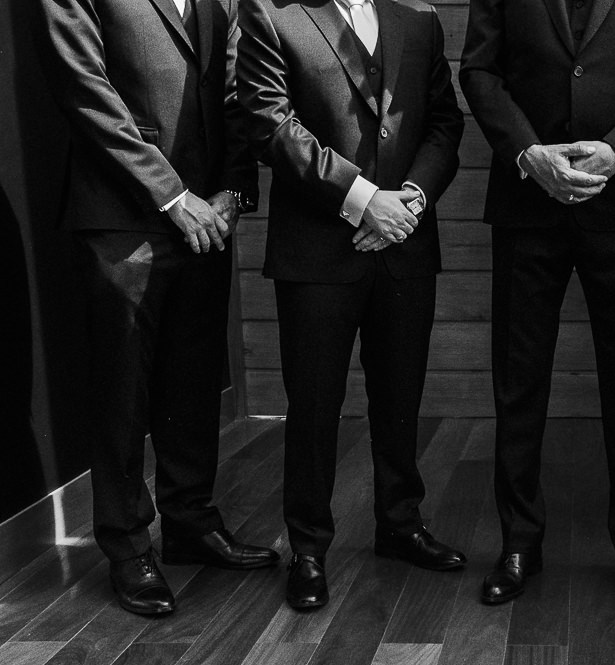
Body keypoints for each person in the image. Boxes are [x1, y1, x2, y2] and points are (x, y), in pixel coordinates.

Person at [460, 0, 615, 611]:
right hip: (527, 200)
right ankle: (519, 543)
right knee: (518, 382)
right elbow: (480, 70)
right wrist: (526, 152)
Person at [38, 0, 277, 616]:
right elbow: (85, 90)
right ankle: (127, 548)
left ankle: (191, 523)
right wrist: (173, 196)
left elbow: (234, 90)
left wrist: (234, 188)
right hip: (123, 219)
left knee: (193, 378)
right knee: (122, 391)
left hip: (208, 214)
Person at [237, 0, 465, 609]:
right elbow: (269, 123)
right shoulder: (272, 13)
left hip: (404, 243)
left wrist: (411, 200)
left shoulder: (418, 18)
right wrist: (364, 200)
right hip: (316, 252)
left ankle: (400, 526)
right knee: (314, 404)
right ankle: (309, 548)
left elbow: (444, 122)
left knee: (401, 394)